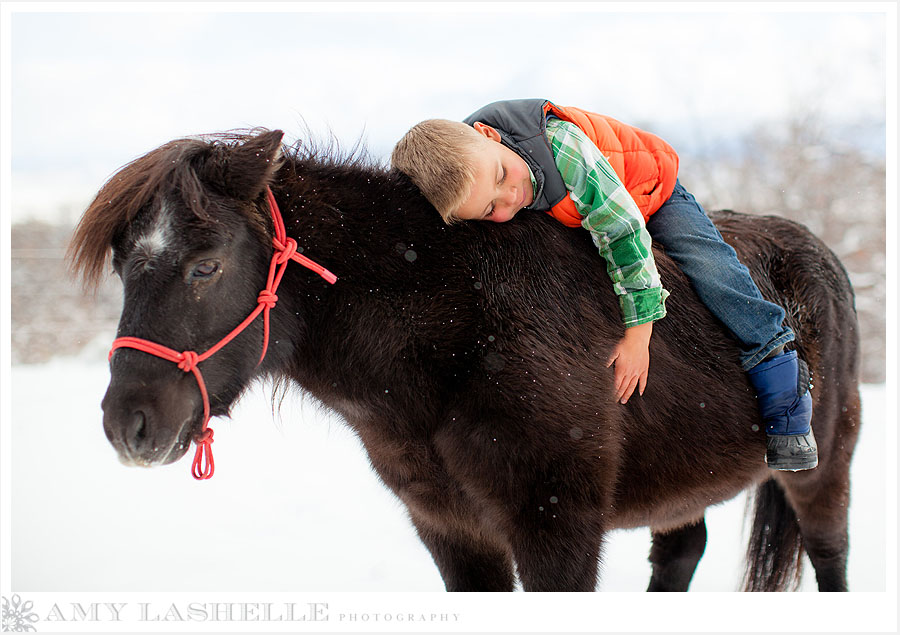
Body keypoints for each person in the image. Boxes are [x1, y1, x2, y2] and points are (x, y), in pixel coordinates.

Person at [391, 98, 817, 471]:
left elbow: (623, 232)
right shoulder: (476, 171)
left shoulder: (562, 148)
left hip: (647, 193)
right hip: (578, 213)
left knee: (714, 272)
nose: (511, 196)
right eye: (490, 208)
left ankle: (779, 368)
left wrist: (638, 334)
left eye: (502, 175)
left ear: (488, 135)